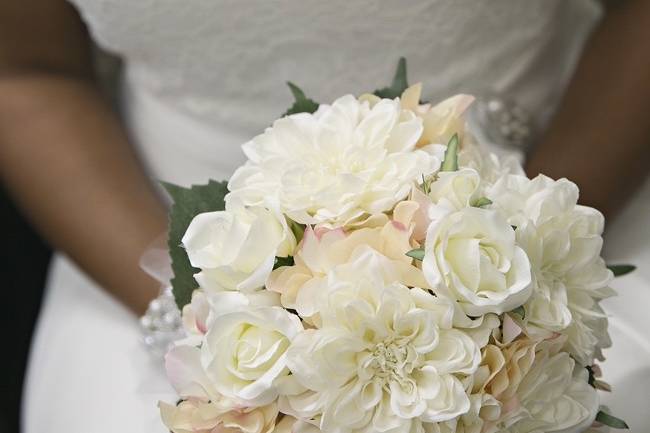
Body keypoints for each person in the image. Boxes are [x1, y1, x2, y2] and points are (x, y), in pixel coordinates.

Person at [0, 0, 648, 432]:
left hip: (575, 168)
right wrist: (211, 322)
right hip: (139, 229)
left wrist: (524, 250)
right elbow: (24, 74)